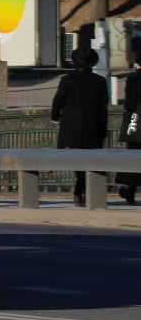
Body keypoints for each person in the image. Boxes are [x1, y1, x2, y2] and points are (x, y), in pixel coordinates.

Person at [51, 28, 110, 206]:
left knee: (77, 161)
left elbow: (58, 100)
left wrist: (55, 116)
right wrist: (103, 129)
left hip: (71, 126)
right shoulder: (99, 81)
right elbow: (103, 106)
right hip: (93, 126)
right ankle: (85, 191)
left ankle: (78, 191)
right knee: (91, 160)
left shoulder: (68, 79)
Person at [116, 48, 141, 205]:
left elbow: (130, 103)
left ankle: (130, 191)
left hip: (136, 120)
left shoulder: (132, 79)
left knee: (132, 156)